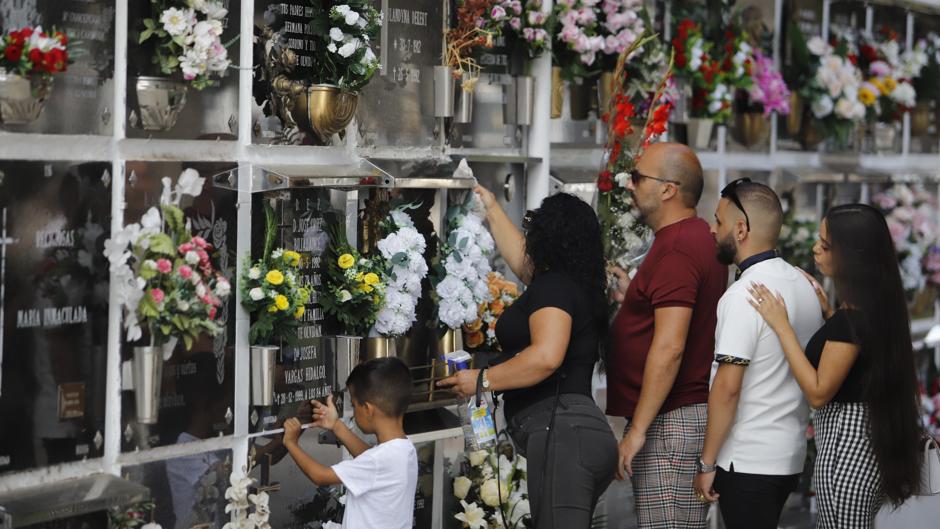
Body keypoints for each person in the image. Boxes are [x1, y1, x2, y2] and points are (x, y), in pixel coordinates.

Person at [438, 190, 617, 529]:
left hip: (564, 436)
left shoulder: (556, 288)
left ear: (547, 236)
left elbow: (546, 357)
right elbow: (522, 264)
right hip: (577, 433)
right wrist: (491, 207)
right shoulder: (569, 285)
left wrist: (482, 380)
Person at [747, 204, 923, 529]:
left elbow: (817, 393)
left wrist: (781, 324)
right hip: (864, 449)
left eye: (826, 245)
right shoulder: (872, 308)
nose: (815, 248)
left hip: (847, 455)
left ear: (853, 255)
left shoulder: (852, 320)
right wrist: (830, 317)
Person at [606, 142, 727, 529]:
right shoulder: (687, 239)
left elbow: (671, 346)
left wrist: (638, 430)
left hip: (669, 421)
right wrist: (634, 299)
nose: (630, 185)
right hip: (671, 414)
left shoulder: (678, 247)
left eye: (638, 177)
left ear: (668, 189)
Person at [692, 179, 823, 529]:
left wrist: (706, 464)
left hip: (747, 460)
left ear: (740, 229)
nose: (711, 228)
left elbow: (727, 388)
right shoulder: (802, 284)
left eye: (718, 221)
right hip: (788, 456)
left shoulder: (745, 294)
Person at [283, 357, 418, 529]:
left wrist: (291, 443)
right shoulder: (404, 449)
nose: (353, 412)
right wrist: (336, 425)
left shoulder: (380, 460)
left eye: (354, 406)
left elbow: (320, 476)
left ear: (368, 409)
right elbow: (368, 458)